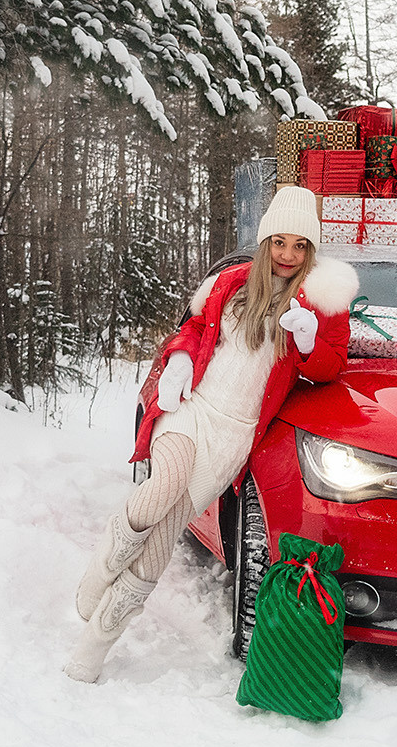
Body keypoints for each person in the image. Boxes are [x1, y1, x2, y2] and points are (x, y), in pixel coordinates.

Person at [65, 185, 356, 683]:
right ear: (265, 243)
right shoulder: (234, 283)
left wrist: (307, 340)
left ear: (311, 251)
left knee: (169, 526)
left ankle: (97, 641)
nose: (288, 255)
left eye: (300, 245)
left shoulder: (321, 304)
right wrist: (179, 357)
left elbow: (330, 368)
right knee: (163, 485)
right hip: (194, 408)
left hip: (234, 434)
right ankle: (103, 565)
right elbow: (195, 329)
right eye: (280, 242)